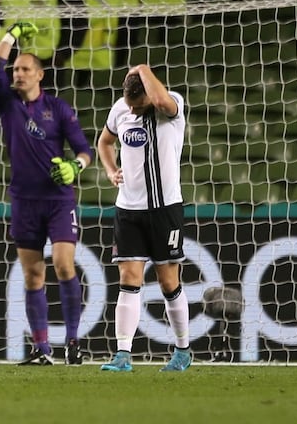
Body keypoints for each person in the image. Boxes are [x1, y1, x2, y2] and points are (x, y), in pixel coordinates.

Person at [0, 22, 94, 366]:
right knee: (33, 274)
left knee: (64, 265)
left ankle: (74, 343)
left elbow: (83, 149)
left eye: (24, 69)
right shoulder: (8, 105)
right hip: (23, 200)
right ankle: (41, 348)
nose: (17, 73)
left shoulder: (59, 109)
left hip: (58, 200)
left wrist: (74, 167)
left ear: (39, 74)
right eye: (15, 69)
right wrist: (13, 33)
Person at [96, 65, 192, 372]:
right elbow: (104, 142)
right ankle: (123, 355)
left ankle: (182, 350)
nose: (133, 111)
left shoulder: (170, 105)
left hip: (165, 209)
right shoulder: (120, 110)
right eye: (129, 105)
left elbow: (162, 101)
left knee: (167, 281)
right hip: (128, 209)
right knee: (128, 278)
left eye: (138, 105)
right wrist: (111, 170)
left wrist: (142, 68)